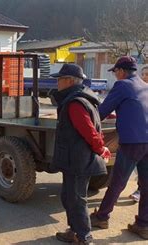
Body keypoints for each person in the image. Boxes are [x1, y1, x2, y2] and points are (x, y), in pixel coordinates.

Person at [49, 64, 110, 244]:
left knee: (76, 200)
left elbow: (89, 131)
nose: (57, 83)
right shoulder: (83, 98)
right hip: (73, 158)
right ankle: (74, 231)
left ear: (68, 81)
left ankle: (84, 237)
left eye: (59, 79)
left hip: (78, 160)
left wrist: (101, 148)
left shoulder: (75, 103)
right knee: (68, 197)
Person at [90, 56, 148, 240]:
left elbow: (101, 111)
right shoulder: (145, 85)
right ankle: (143, 225)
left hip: (132, 142)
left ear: (121, 71)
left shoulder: (123, 86)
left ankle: (101, 217)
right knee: (146, 185)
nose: (115, 76)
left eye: (115, 72)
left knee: (118, 181)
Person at [129, 65, 148, 202]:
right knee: (142, 167)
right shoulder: (139, 91)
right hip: (141, 136)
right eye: (144, 74)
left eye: (147, 74)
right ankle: (140, 190)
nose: (145, 77)